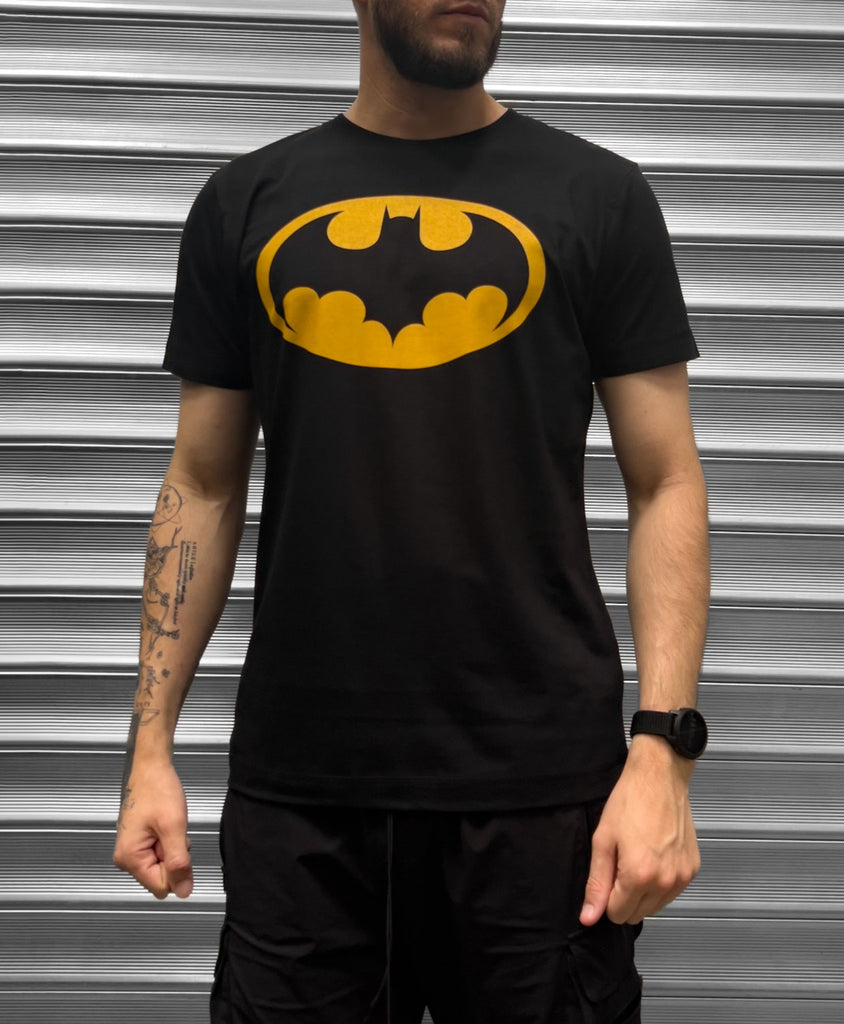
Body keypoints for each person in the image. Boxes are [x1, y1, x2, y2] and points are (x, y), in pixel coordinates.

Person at [112, 1, 710, 1020]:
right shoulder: (247, 201)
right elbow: (202, 484)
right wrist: (149, 750)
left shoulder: (599, 196)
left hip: (538, 794)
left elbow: (665, 482)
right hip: (304, 795)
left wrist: (662, 751)